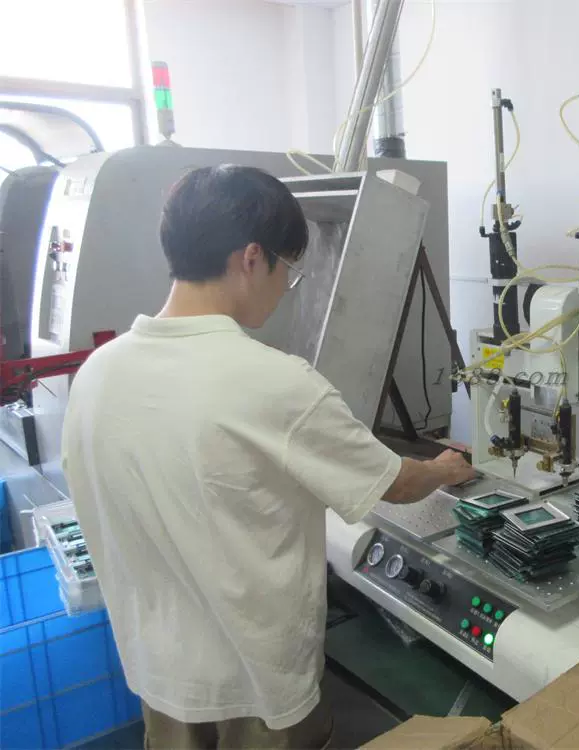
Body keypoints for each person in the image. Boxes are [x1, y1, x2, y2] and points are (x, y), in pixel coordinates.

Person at [61, 165, 476, 750]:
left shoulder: (97, 373)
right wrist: (446, 469)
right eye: (290, 270)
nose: (287, 289)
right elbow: (398, 485)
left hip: (159, 679)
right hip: (258, 692)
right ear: (252, 259)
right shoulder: (275, 383)